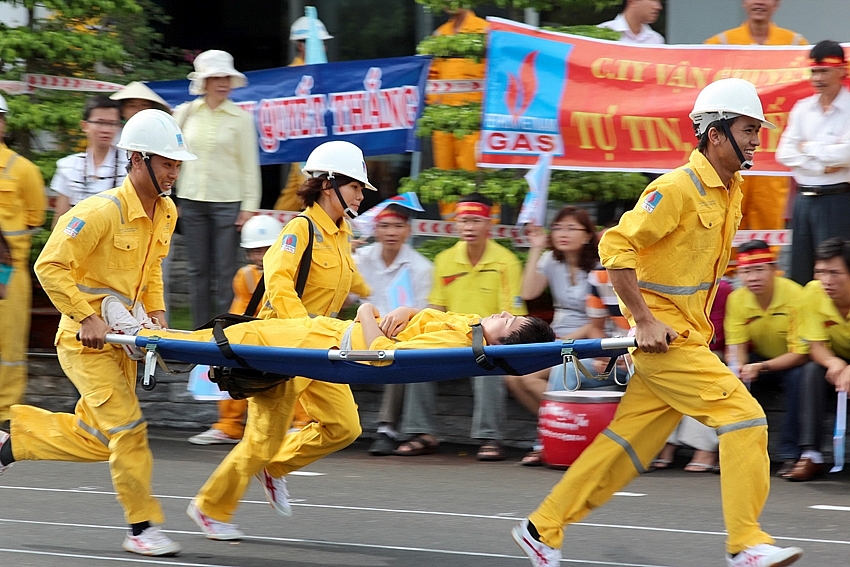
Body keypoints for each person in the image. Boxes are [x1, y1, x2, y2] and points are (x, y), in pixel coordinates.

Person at [511, 78, 805, 567]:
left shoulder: (731, 190)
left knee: (625, 449)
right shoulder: (674, 189)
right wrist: (642, 321)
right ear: (716, 133)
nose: (757, 139)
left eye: (758, 130)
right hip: (666, 343)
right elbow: (614, 249)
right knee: (745, 420)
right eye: (749, 129)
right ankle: (745, 543)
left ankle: (542, 528)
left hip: (684, 339)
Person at [0, 109, 196, 556]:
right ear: (137, 158)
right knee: (129, 431)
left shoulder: (165, 211)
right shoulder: (100, 211)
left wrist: (159, 313)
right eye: (167, 162)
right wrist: (86, 316)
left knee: (98, 438)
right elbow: (48, 265)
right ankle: (142, 528)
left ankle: (11, 442)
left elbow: (151, 272)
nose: (173, 172)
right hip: (83, 341)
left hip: (124, 341)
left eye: (177, 164)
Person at [183, 140, 373, 538]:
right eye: (355, 186)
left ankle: (277, 467)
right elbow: (279, 279)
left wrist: (382, 300)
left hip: (322, 349)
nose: (360, 194)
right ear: (328, 184)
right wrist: (300, 329)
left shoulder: (342, 231)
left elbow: (352, 281)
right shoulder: (299, 228)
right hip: (284, 349)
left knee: (344, 427)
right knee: (260, 439)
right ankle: (209, 508)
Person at [395, 193, 526, 461]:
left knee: (489, 366)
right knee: (418, 357)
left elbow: (510, 316)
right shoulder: (445, 260)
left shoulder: (506, 262)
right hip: (451, 337)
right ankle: (422, 433)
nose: (469, 227)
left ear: (489, 224)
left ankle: (490, 437)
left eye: (476, 221)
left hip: (488, 338)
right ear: (455, 224)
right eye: (463, 220)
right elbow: (437, 310)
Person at [504, 206, 611, 466]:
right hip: (559, 336)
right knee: (512, 377)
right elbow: (528, 293)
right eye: (559, 227)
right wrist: (536, 248)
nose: (563, 233)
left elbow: (597, 321)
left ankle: (546, 439)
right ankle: (561, 431)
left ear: (587, 235)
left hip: (590, 339)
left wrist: (561, 344)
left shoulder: (599, 267)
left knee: (529, 379)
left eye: (571, 228)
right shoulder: (553, 260)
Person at [174, 49, 261, 328]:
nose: (222, 83)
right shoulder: (185, 113)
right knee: (196, 271)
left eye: (226, 77)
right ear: (204, 82)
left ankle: (224, 333)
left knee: (226, 273)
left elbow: (250, 164)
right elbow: (172, 157)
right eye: (215, 77)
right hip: (191, 200)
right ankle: (199, 334)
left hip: (229, 202)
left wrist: (249, 206)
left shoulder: (241, 118)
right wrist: (169, 196)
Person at [705, 0, 806, 235]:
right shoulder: (719, 44)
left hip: (771, 156)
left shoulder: (795, 46)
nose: (759, 2)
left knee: (767, 236)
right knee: (723, 226)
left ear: (777, 3)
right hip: (729, 153)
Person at [188, 214, 284, 445]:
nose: (260, 256)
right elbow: (239, 310)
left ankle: (302, 424)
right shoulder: (246, 276)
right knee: (231, 369)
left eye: (265, 250)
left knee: (300, 374)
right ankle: (229, 425)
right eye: (255, 251)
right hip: (255, 334)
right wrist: (228, 335)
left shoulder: (289, 272)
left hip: (284, 334)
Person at [352, 201, 434, 456]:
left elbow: (422, 316)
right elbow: (344, 298)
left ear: (408, 231)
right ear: (375, 229)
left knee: (398, 351)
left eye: (398, 226)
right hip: (359, 328)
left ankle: (386, 428)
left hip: (399, 332)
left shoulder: (421, 268)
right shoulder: (361, 258)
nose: (391, 232)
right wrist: (342, 259)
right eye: (384, 226)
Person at [724, 240, 807, 477]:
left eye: (759, 269)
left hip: (792, 361)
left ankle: (791, 455)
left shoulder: (796, 295)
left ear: (774, 268)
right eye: (746, 271)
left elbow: (801, 353)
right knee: (730, 378)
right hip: (757, 360)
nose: (753, 277)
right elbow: (736, 346)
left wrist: (760, 366)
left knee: (800, 377)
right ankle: (736, 453)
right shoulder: (737, 299)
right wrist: (739, 367)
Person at [776, 40, 850, 285]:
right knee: (801, 272)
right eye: (814, 72)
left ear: (841, 70)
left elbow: (847, 154)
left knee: (836, 273)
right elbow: (784, 153)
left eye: (824, 71)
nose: (817, 78)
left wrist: (808, 148)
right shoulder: (802, 108)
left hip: (837, 200)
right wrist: (822, 164)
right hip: (804, 202)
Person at [0, 94, 46, 427]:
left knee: (9, 343)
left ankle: (4, 413)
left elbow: (34, 217)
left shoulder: (23, 170)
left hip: (7, 270)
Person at [787, 237, 850, 481]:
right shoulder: (812, 292)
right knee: (811, 371)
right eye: (820, 272)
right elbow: (815, 346)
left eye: (835, 273)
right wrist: (836, 363)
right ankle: (810, 454)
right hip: (836, 357)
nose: (826, 280)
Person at [273, 15, 333, 212]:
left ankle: (276, 230)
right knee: (311, 189)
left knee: (294, 193)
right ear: (301, 45)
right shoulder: (292, 74)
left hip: (318, 141)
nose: (323, 48)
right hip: (302, 144)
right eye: (319, 43)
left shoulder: (325, 71)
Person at [428, 8, 488, 173]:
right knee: (445, 183)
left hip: (474, 123)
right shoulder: (440, 34)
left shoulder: (484, 31)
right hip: (444, 124)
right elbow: (432, 76)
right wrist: (436, 105)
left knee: (476, 181)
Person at [50, 96, 126, 225]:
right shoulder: (68, 166)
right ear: (85, 125)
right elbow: (60, 219)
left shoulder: (131, 166)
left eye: (112, 124)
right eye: (100, 122)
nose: (106, 130)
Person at [598, 0, 664, 45]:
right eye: (653, 0)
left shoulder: (656, 40)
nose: (658, 7)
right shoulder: (601, 33)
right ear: (632, 1)